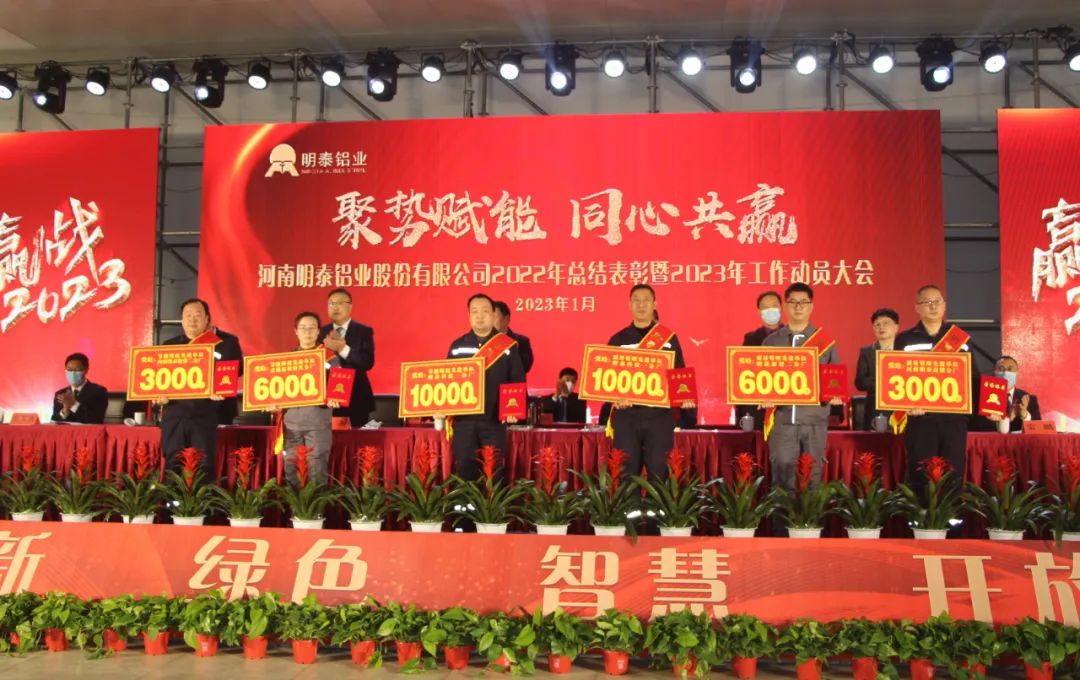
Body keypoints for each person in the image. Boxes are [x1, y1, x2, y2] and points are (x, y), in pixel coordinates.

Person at [894, 284, 979, 485]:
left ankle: (952, 507)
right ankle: (921, 507)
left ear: (944, 305)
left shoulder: (960, 339)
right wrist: (906, 405)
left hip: (953, 418)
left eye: (937, 302)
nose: (933, 306)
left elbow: (973, 377)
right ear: (917, 307)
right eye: (927, 302)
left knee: (953, 473)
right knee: (920, 473)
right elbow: (896, 376)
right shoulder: (904, 340)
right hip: (920, 418)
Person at [761, 283, 842, 492]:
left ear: (811, 306)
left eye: (803, 302)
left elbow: (835, 378)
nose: (798, 307)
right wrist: (763, 396)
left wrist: (835, 395)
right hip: (782, 420)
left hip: (815, 420)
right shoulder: (771, 342)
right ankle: (782, 515)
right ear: (786, 306)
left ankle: (811, 515)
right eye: (793, 302)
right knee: (782, 475)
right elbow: (762, 380)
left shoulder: (825, 342)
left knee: (813, 476)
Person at [606, 284, 689, 483]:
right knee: (626, 476)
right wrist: (615, 397)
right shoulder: (618, 339)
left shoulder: (669, 339)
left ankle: (657, 506)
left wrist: (685, 397)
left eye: (646, 300)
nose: (641, 305)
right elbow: (608, 378)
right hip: (627, 417)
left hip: (659, 417)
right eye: (636, 300)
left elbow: (679, 372)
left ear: (654, 304)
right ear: (629, 304)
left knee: (659, 475)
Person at [158, 298, 243, 476]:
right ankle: (172, 495)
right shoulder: (169, 346)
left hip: (209, 414)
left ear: (207, 319)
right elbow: (160, 380)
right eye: (187, 315)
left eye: (197, 315)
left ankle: (203, 496)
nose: (192, 320)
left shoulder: (226, 342)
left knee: (204, 466)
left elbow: (237, 370)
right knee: (173, 465)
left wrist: (220, 387)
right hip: (176, 415)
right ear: (182, 320)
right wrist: (159, 395)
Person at [445, 293, 526, 481]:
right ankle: (466, 502)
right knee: (465, 468)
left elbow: (517, 380)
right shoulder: (457, 346)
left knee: (494, 471)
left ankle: (492, 502)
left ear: (493, 314)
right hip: (464, 422)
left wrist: (514, 411)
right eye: (474, 312)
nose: (479, 316)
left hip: (494, 421)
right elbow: (447, 379)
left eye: (485, 311)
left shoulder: (507, 346)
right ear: (469, 315)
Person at [275, 312, 339, 485]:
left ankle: (317, 505)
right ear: (296, 331)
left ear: (318, 331)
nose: (307, 332)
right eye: (303, 328)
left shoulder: (330, 358)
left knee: (317, 471)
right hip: (291, 424)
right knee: (291, 469)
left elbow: (339, 386)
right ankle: (293, 504)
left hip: (317, 424)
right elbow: (278, 390)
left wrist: (335, 398)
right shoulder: (286, 360)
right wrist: (274, 403)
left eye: (312, 328)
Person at [317, 288, 375, 427]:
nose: (335, 307)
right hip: (327, 400)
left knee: (357, 438)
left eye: (340, 303)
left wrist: (342, 349)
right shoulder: (321, 332)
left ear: (350, 306)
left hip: (357, 397)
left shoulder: (363, 331)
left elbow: (367, 362)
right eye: (331, 304)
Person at [736, 290, 784, 429]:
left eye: (774, 306)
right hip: (757, 406)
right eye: (766, 307)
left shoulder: (794, 337)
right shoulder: (751, 339)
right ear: (759, 312)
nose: (771, 310)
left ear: (781, 308)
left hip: (786, 408)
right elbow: (744, 373)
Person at [854, 308, 900, 431]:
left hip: (901, 409)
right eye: (877, 325)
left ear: (896, 327)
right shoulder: (867, 351)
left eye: (886, 323)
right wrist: (887, 383)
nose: (881, 327)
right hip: (875, 409)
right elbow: (860, 382)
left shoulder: (904, 350)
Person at [970, 355, 1041, 433]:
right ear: (995, 372)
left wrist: (1025, 415)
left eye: (1010, 369)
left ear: (1016, 373)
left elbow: (1038, 430)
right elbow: (973, 426)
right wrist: (998, 420)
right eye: (1001, 369)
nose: (1006, 372)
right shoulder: (982, 398)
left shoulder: (1027, 399)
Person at [51, 352, 108, 424]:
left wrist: (74, 405)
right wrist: (65, 410)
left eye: (77, 369)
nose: (72, 373)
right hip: (66, 431)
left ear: (86, 370)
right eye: (69, 369)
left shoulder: (99, 391)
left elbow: (96, 419)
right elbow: (54, 421)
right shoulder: (60, 394)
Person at [493, 301, 534, 374]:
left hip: (511, 381)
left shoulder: (521, 341)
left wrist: (515, 352)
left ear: (506, 319)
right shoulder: (480, 341)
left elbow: (525, 367)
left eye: (493, 316)